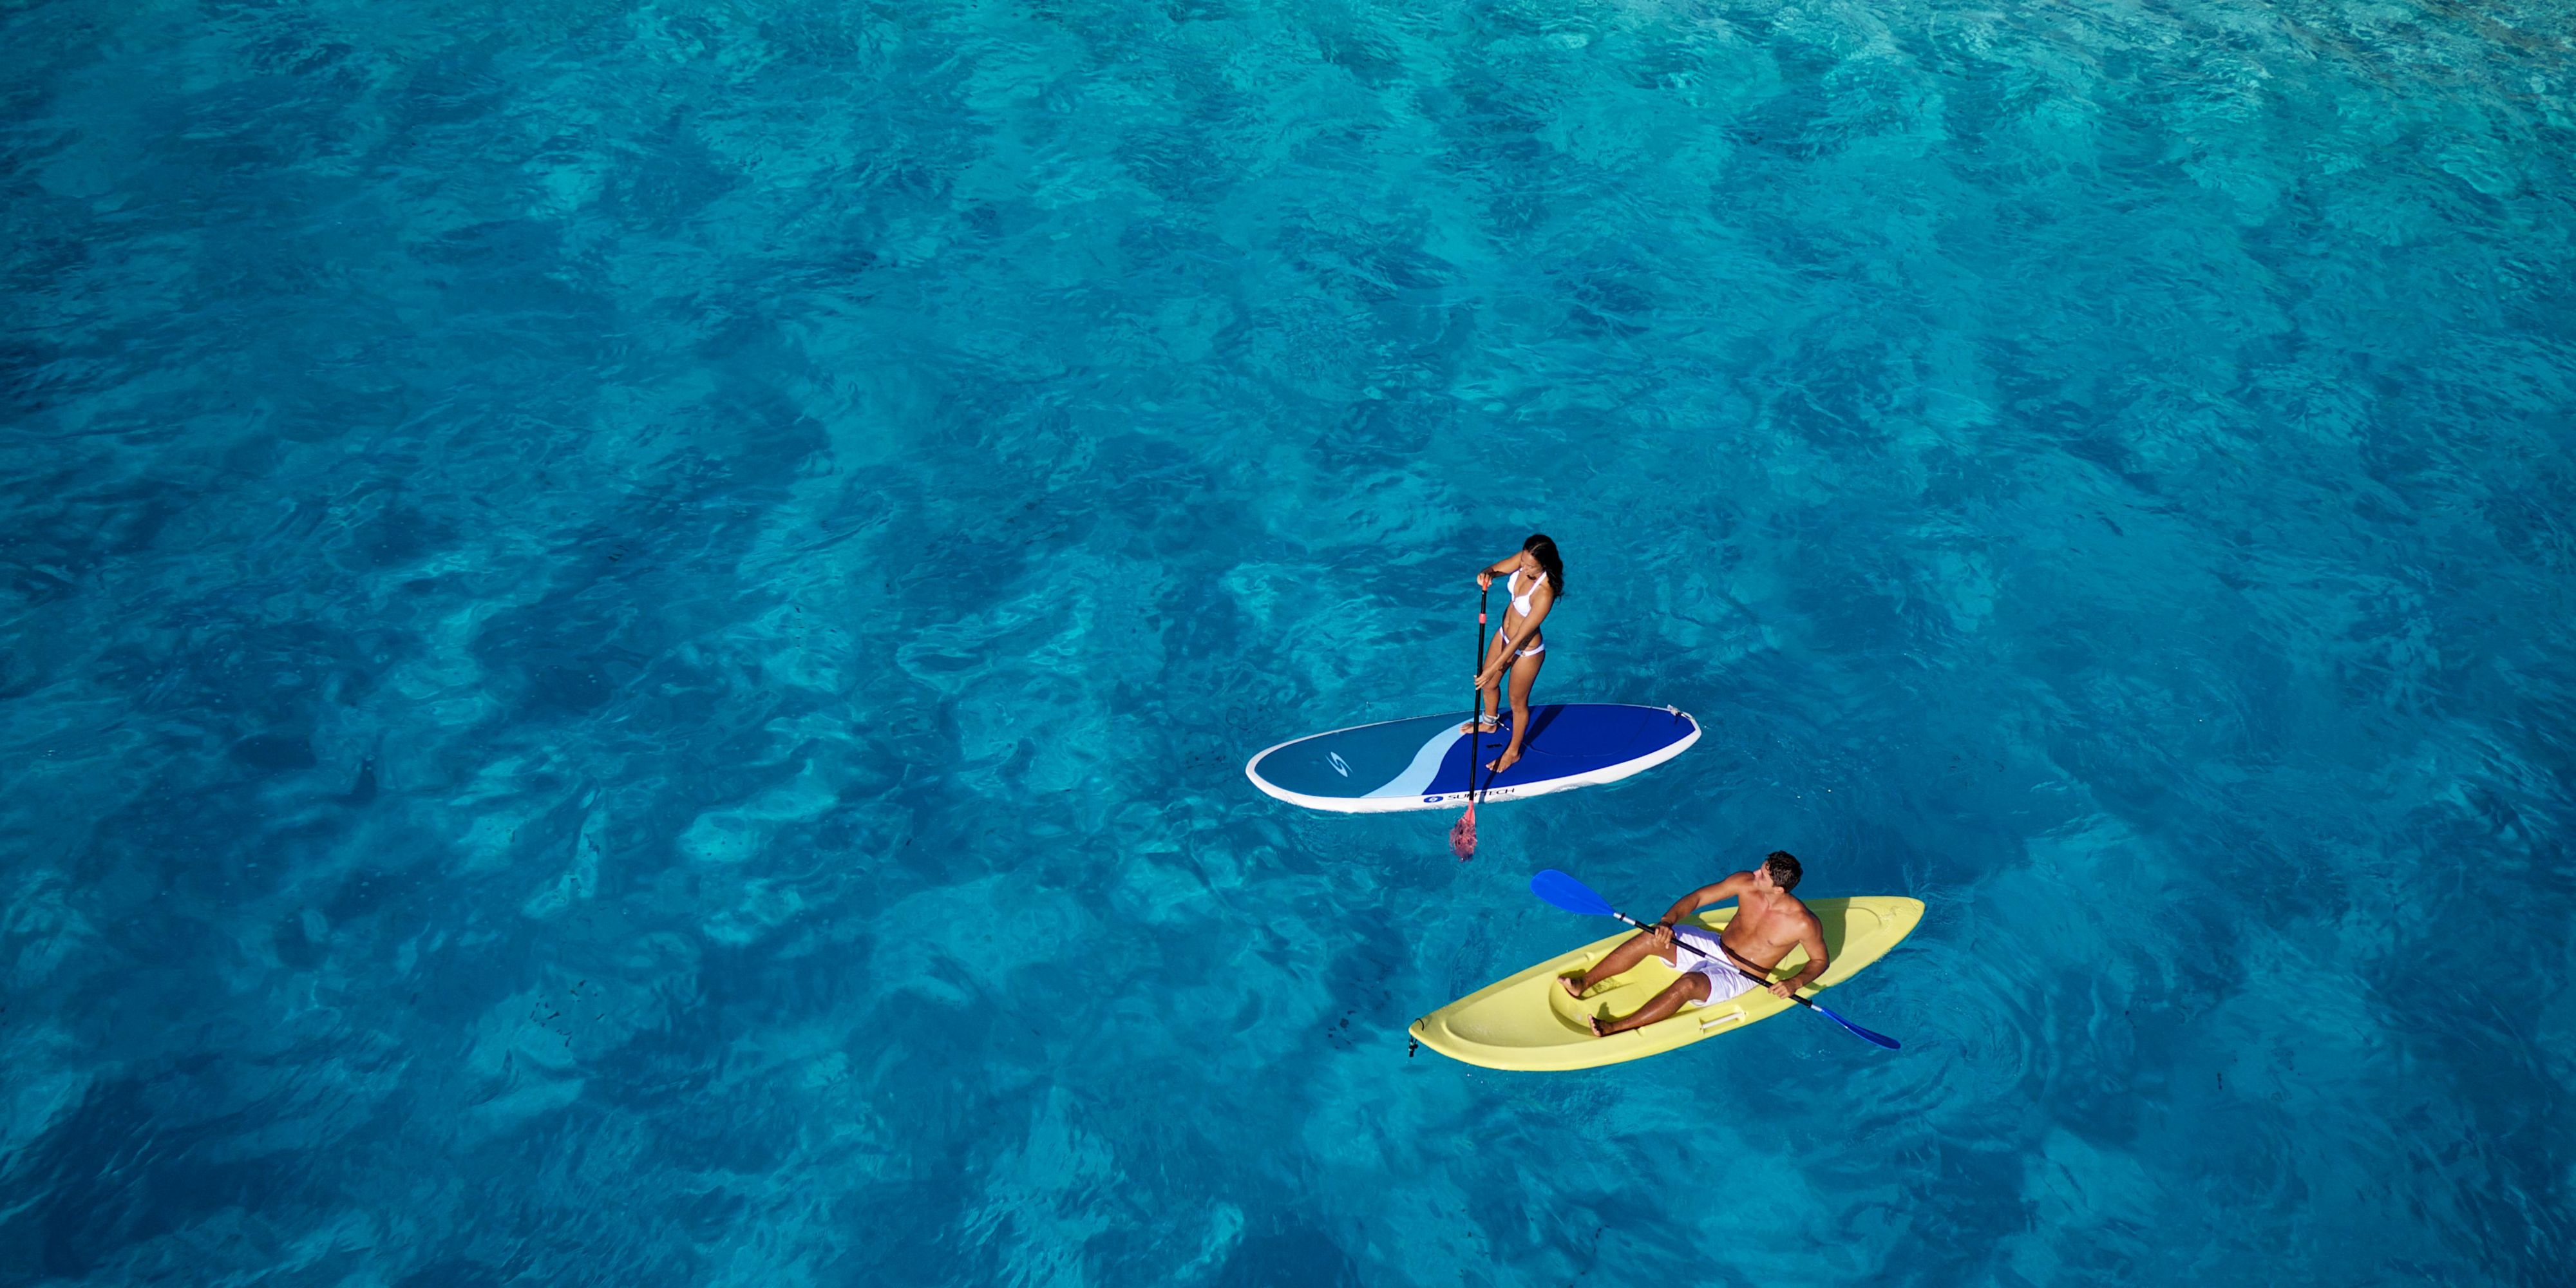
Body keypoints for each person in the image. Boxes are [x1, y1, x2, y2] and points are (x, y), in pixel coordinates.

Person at [1560, 852, 1828, 1037]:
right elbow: (1699, 898)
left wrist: (1795, 982)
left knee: (1688, 984)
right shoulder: (1746, 883)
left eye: (1763, 875)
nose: (1755, 873)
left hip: (1743, 974)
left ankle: (1615, 1028)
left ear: (1779, 890)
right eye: (1761, 868)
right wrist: (1667, 921)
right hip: (1715, 946)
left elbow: (1819, 960)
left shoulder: (1803, 923)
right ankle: (1584, 983)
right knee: (1652, 937)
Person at [1461, 534, 1564, 773]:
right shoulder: (1525, 559)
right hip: (1504, 634)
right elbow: (1495, 569)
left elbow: (1520, 638)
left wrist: (1494, 667)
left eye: (1530, 566)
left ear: (1545, 565)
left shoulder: (1545, 592)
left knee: (1517, 702)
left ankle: (1513, 752)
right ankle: (1490, 723)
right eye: (1523, 562)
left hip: (1527, 651)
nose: (1523, 567)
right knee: (1489, 685)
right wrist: (1486, 574)